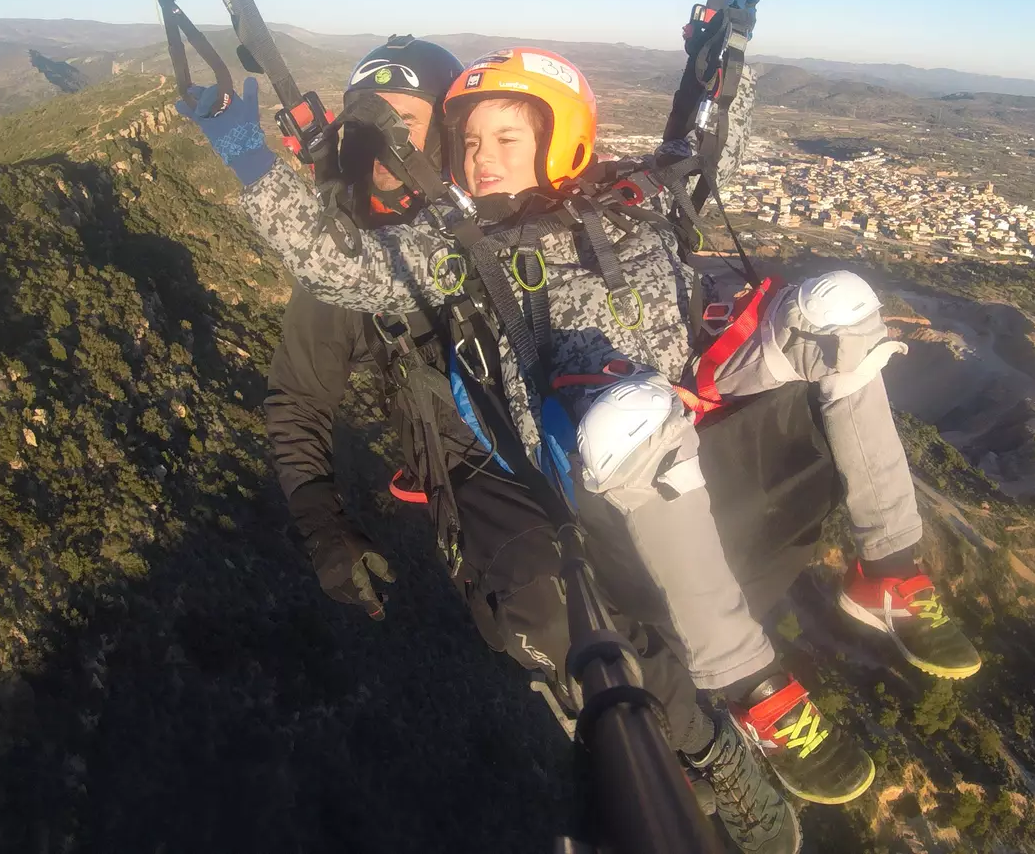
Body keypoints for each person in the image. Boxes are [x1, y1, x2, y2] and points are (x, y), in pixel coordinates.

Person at [184, 45, 980, 809]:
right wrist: (323, 520)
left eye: (432, 127)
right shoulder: (423, 247)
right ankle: (729, 718)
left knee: (840, 305)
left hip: (666, 393)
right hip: (531, 451)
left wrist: (725, 62)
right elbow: (322, 305)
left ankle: (891, 564)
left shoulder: (617, 197)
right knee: (570, 615)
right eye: (467, 141)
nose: (474, 155)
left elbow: (700, 157)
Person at [259, 37, 802, 853]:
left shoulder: (513, 218)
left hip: (571, 420)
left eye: (409, 126)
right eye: (369, 130)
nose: (387, 149)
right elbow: (297, 398)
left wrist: (714, 82)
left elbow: (654, 196)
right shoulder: (350, 264)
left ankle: (735, 687)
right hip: (474, 464)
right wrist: (319, 518)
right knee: (549, 611)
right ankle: (705, 748)